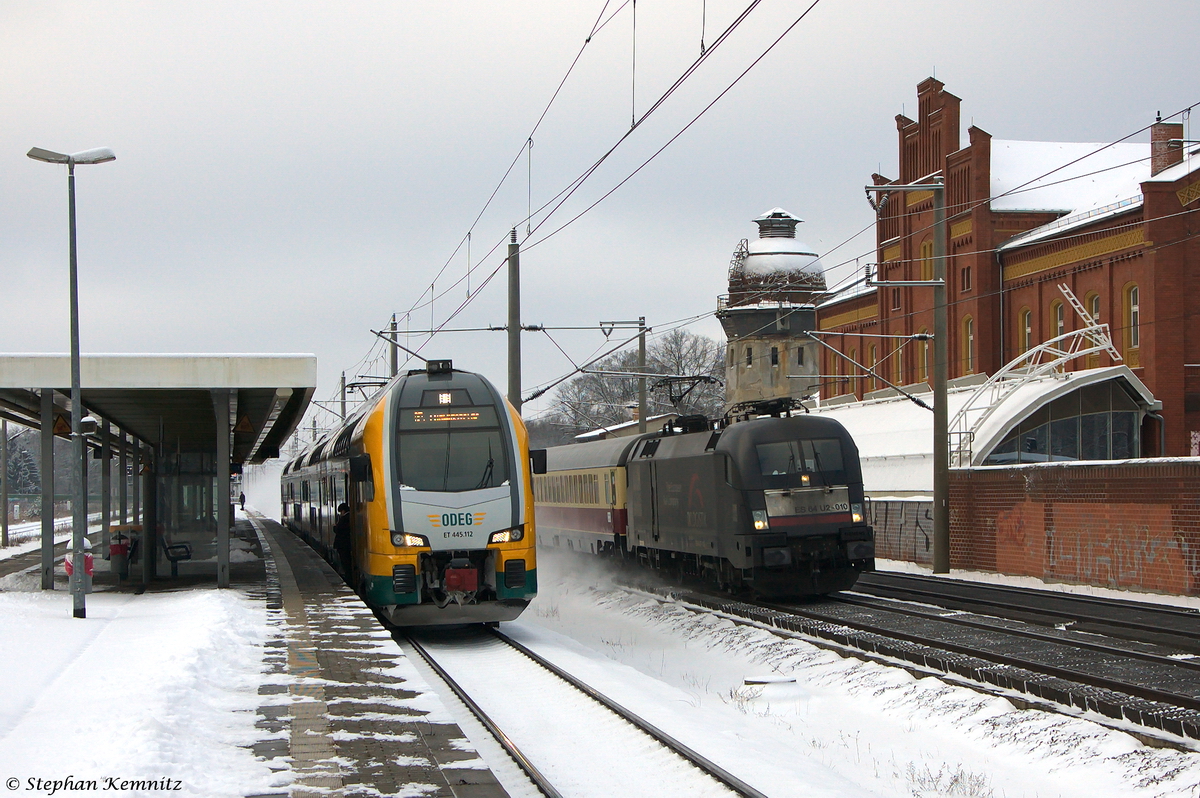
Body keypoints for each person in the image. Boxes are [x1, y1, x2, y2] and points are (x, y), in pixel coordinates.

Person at [333, 502, 352, 579]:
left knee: (345, 562)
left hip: (343, 546)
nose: (340, 513)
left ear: (343, 511)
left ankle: (348, 577)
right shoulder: (348, 517)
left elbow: (338, 530)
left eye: (340, 512)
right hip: (345, 545)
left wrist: (335, 527)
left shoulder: (344, 519)